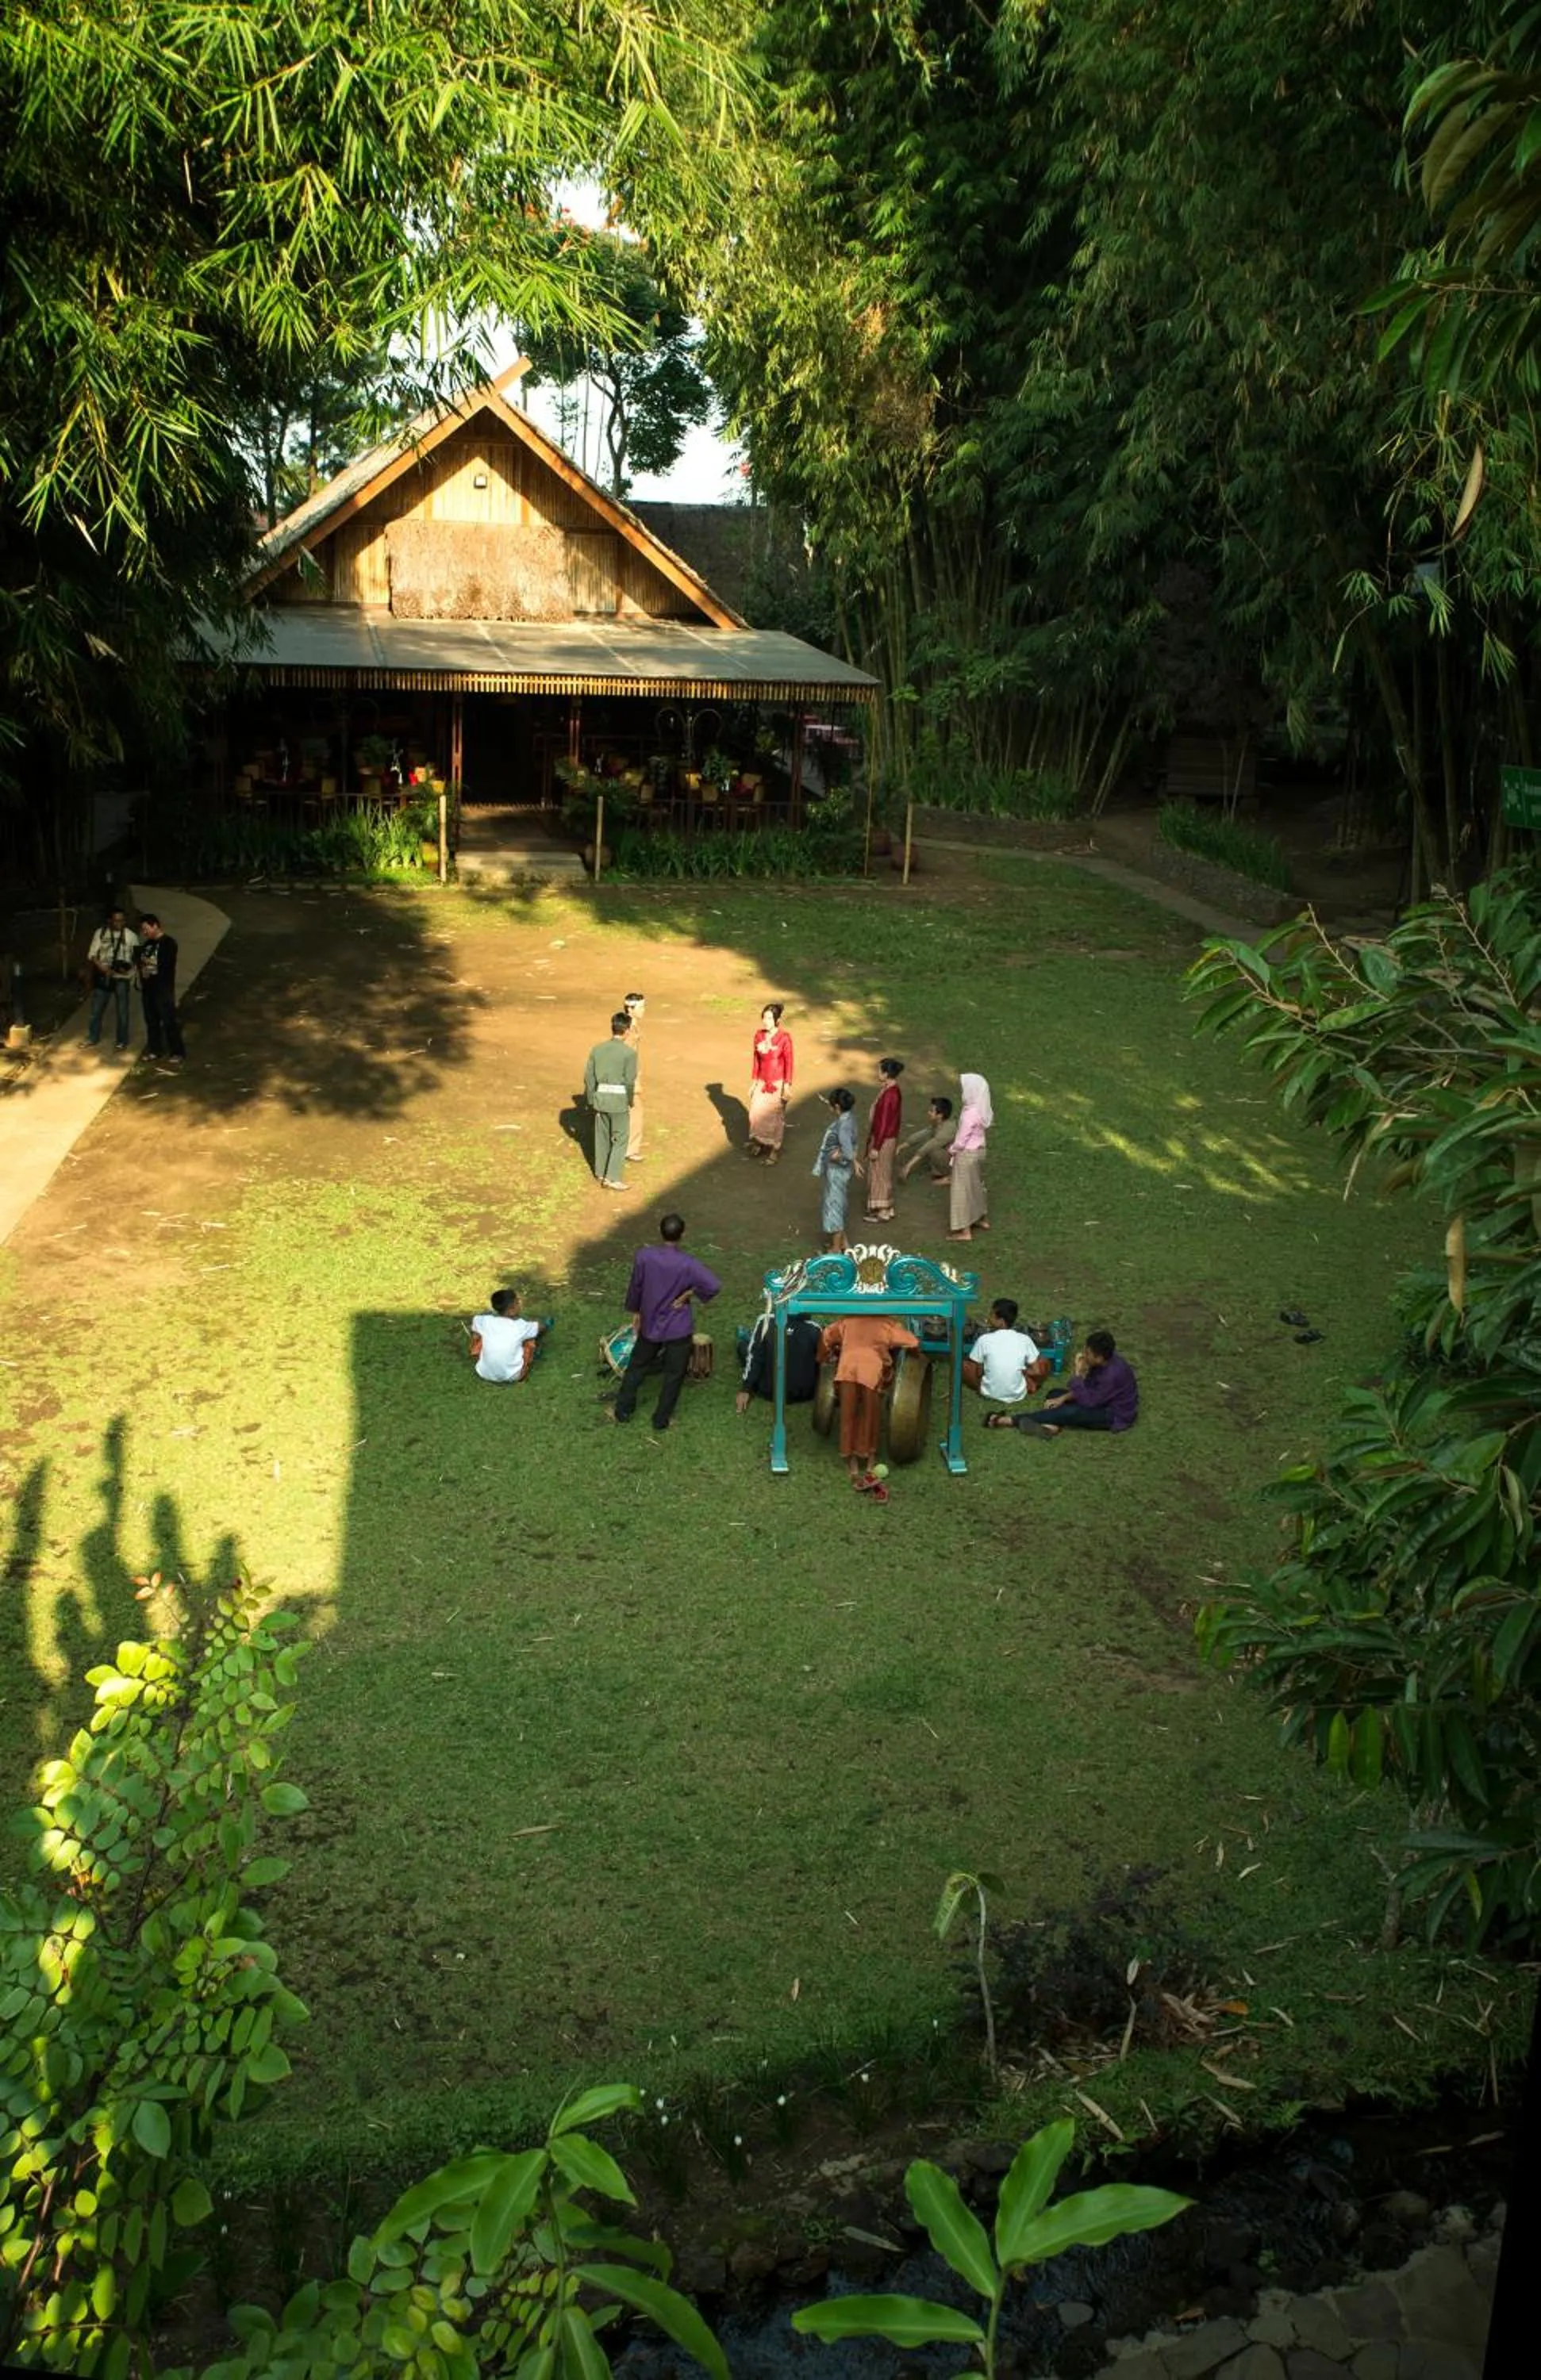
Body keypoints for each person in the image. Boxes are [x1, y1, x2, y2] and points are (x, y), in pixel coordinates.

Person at [610, 1212, 721, 1432]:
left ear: (659, 1231)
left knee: (637, 1367)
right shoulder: (688, 1264)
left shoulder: (644, 1257)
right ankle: (661, 1420)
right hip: (678, 1328)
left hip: (650, 1323)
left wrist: (636, 1311)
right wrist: (690, 1293)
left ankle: (622, 1411)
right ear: (683, 1234)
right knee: (674, 1375)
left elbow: (636, 1286)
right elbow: (714, 1285)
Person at [817, 1312, 920, 1495]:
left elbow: (826, 1336)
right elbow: (913, 1342)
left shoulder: (847, 1321)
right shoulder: (888, 1324)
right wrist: (915, 1355)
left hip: (847, 1369)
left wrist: (823, 1357)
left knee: (848, 1416)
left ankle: (852, 1464)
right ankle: (870, 1462)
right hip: (871, 1372)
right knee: (870, 1416)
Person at [989, 1330, 1139, 1436]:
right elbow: (1088, 1389)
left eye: (1088, 1353)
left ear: (1099, 1357)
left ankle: (1008, 1421)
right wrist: (1062, 1398)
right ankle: (1052, 1427)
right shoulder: (1103, 1362)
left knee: (1069, 1412)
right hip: (1099, 1401)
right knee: (1055, 1395)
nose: (1084, 1355)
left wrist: (1077, 1374)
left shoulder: (1112, 1375)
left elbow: (1089, 1402)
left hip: (1112, 1415)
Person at [583, 1010, 638, 1190]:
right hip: (619, 1101)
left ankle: (600, 1171)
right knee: (621, 1138)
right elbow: (629, 1081)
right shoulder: (629, 1053)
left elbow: (589, 1077)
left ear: (612, 1027)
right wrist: (630, 1100)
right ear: (627, 1030)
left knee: (602, 1136)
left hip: (600, 1099)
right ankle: (612, 1177)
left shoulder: (597, 1049)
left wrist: (591, 1098)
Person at [736, 1311, 822, 1415]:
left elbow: (755, 1358)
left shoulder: (765, 1321)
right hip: (805, 1394)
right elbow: (822, 1361)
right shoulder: (815, 1329)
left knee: (743, 1347)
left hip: (768, 1391)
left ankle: (749, 1336)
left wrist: (746, 1389)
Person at [963, 1299, 1047, 1403]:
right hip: (1018, 1395)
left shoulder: (984, 1339)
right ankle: (1032, 1386)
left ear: (1001, 1321)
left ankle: (982, 1389)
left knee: (965, 1365)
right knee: (1044, 1361)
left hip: (988, 1393)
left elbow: (978, 1372)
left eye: (992, 1315)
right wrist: (1022, 1371)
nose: (989, 1318)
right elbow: (1037, 1371)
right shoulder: (1025, 1339)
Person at [85, 907, 140, 1052]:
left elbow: (138, 958)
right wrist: (103, 968)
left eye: (122, 921)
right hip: (104, 976)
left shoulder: (131, 936)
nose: (119, 924)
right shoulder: (101, 933)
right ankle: (92, 1037)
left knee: (122, 1011)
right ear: (110, 921)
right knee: (96, 1010)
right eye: (116, 921)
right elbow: (92, 955)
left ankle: (122, 1040)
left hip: (122, 978)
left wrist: (128, 969)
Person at [813, 1086, 861, 1252]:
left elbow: (847, 1150)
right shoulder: (850, 1119)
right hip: (842, 1171)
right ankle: (844, 1244)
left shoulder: (842, 1126)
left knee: (834, 1206)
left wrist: (836, 1156)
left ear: (837, 1107)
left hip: (837, 1171)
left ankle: (835, 1249)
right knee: (838, 1203)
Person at [747, 1001, 794, 1163]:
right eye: (764, 1018)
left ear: (777, 1020)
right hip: (762, 1082)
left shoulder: (784, 1038)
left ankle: (774, 1149)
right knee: (755, 1113)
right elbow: (756, 1060)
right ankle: (760, 1141)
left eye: (769, 1018)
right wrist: (754, 1083)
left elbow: (789, 1063)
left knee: (775, 1117)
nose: (765, 1021)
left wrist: (786, 1086)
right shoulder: (758, 1036)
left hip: (777, 1083)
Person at [948, 1071, 992, 1242]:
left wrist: (952, 1149)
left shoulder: (969, 1113)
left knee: (961, 1191)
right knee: (976, 1187)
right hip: (979, 1151)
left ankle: (965, 1231)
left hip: (967, 1154)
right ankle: (981, 1218)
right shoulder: (981, 1110)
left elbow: (962, 1139)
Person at [469, 1288, 546, 1384]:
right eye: (517, 1303)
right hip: (514, 1376)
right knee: (529, 1340)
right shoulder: (521, 1326)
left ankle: (479, 1356)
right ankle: (527, 1360)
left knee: (480, 1336)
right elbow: (540, 1328)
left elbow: (476, 1321)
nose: (520, 1304)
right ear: (511, 1310)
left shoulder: (485, 1321)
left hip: (483, 1372)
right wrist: (545, 1325)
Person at [137, 913, 185, 1064]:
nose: (145, 933)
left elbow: (163, 964)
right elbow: (142, 962)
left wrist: (149, 967)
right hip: (148, 990)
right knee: (151, 1022)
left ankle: (177, 1051)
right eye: (143, 930)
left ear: (155, 926)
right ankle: (155, 1050)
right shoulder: (147, 945)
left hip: (163, 989)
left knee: (169, 1021)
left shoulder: (169, 943)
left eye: (146, 929)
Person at [863, 1057, 905, 1224]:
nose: (877, 1073)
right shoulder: (891, 1090)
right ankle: (887, 1207)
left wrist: (876, 1147)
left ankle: (883, 1211)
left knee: (879, 1173)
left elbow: (884, 1123)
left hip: (883, 1140)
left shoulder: (889, 1095)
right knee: (883, 1172)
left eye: (879, 1070)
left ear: (886, 1074)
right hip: (887, 1138)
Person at [900, 1096, 955, 1185]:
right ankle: (940, 1172)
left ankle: (950, 1176)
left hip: (956, 1163)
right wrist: (901, 1147)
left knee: (933, 1150)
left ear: (940, 1115)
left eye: (931, 1111)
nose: (928, 1113)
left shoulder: (948, 1129)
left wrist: (908, 1166)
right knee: (930, 1142)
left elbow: (930, 1146)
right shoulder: (939, 1123)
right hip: (950, 1156)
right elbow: (923, 1134)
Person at [623, 991, 646, 1162]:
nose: (644, 1010)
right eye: (641, 1007)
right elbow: (626, 1057)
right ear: (630, 1009)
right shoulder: (629, 1030)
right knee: (636, 1112)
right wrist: (633, 1082)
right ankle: (630, 1149)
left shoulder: (632, 1025)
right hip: (628, 1079)